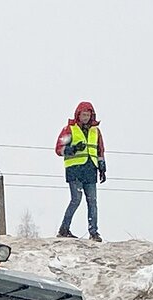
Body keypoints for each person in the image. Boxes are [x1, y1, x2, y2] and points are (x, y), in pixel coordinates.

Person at [55, 100, 107, 242]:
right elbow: (59, 149)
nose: (86, 117)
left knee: (92, 202)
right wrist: (72, 149)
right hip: (75, 170)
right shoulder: (69, 129)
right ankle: (64, 229)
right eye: (84, 114)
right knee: (76, 200)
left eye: (88, 114)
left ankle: (93, 232)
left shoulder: (96, 131)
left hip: (90, 169)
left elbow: (100, 149)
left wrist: (102, 166)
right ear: (78, 115)